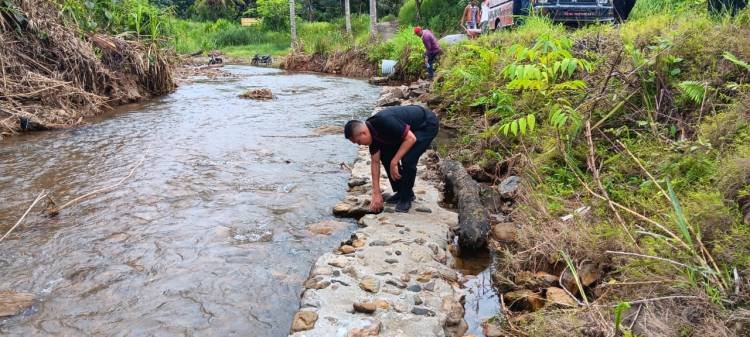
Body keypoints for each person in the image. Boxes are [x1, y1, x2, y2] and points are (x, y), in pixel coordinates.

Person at [344, 105, 440, 213]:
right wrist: (376, 193)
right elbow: (375, 162)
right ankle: (401, 191)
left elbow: (411, 139)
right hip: (408, 131)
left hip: (425, 125)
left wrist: (394, 162)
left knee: (408, 159)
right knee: (386, 155)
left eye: (358, 142)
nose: (359, 145)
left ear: (363, 133)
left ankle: (406, 197)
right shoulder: (372, 134)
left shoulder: (384, 121)